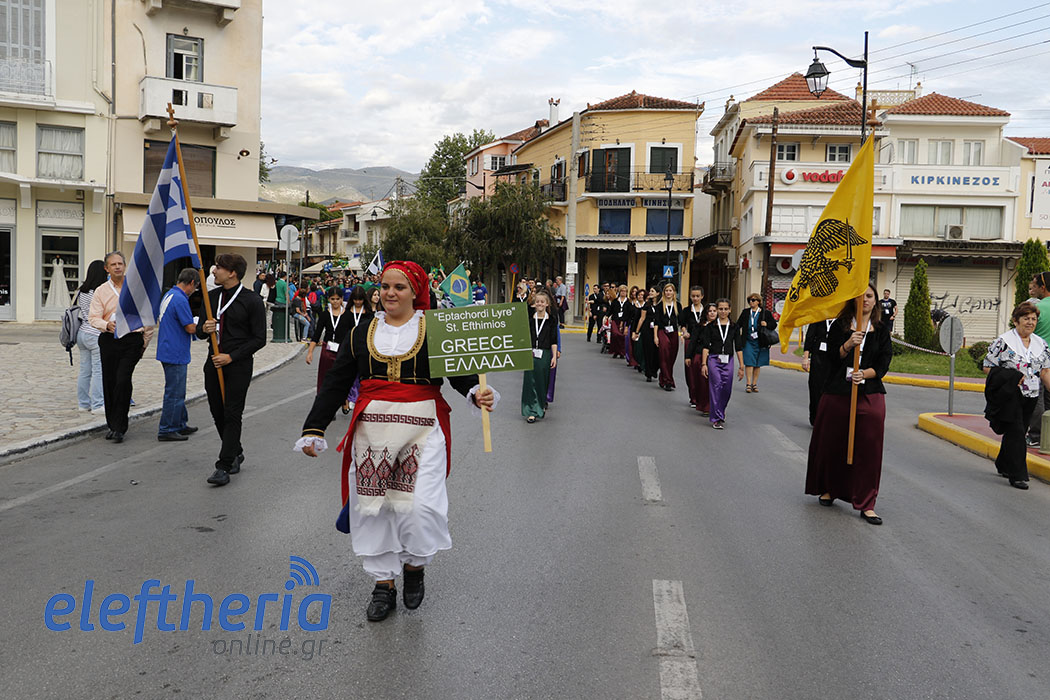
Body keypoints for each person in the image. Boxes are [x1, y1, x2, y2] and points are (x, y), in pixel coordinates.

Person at [295, 260, 497, 622]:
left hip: (424, 429)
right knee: (375, 508)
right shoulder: (361, 333)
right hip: (371, 433)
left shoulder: (435, 330)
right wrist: (314, 428)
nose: (389, 293)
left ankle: (415, 566)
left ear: (415, 292)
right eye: (385, 286)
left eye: (399, 287)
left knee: (420, 506)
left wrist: (477, 392)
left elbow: (461, 376)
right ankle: (383, 584)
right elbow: (336, 383)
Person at [805, 283, 891, 524]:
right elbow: (830, 357)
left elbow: (884, 363)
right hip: (838, 391)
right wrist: (847, 345)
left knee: (869, 448)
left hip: (869, 392)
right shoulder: (840, 326)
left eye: (870, 296)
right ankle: (829, 488)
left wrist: (864, 374)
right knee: (832, 443)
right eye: (860, 296)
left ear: (876, 301)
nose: (865, 300)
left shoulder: (881, 330)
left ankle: (867, 502)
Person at [196, 253, 266, 487]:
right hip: (213, 361)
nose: (214, 271)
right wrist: (204, 328)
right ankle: (235, 450)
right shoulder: (211, 298)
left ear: (232, 273)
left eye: (219, 267)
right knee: (217, 411)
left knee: (232, 412)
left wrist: (232, 357)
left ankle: (224, 465)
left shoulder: (252, 300)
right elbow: (199, 331)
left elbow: (259, 339)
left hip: (238, 364)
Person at [984, 301, 1050, 490]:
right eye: (1026, 318)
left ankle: (1003, 463)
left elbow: (1045, 372)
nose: (1030, 322)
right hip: (1009, 394)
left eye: (1033, 319)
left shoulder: (1041, 344)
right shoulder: (1003, 342)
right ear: (1016, 321)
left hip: (1032, 395)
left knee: (1019, 431)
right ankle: (1018, 474)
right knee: (1016, 431)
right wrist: (1011, 376)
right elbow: (987, 367)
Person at [89, 251, 153, 443]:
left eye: (120, 263)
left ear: (125, 266)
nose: (117, 267)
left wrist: (144, 343)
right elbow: (93, 318)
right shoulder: (101, 291)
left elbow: (148, 318)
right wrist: (106, 325)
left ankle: (120, 427)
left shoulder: (136, 289)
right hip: (110, 339)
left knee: (123, 379)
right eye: (113, 264)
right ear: (106, 268)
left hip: (132, 340)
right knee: (110, 381)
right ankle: (112, 424)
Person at [156, 268, 199, 442]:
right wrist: (203, 326)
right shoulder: (180, 299)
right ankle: (167, 428)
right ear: (191, 283)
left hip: (168, 347)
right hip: (175, 350)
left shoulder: (169, 294)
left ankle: (180, 422)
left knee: (177, 390)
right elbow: (189, 327)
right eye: (195, 287)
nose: (194, 291)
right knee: (175, 392)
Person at [700, 298, 744, 429]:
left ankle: (720, 411)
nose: (723, 311)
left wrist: (741, 366)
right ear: (717, 310)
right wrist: (704, 364)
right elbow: (705, 346)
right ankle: (716, 418)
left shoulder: (734, 327)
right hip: (714, 359)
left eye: (725, 309)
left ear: (730, 310)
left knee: (726, 388)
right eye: (720, 309)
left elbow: (739, 347)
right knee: (716, 385)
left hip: (728, 360)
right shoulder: (710, 327)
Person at [75, 260, 107, 414]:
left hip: (82, 332)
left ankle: (83, 404)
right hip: (95, 333)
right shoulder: (99, 292)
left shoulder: (82, 291)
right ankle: (98, 404)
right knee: (98, 371)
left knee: (84, 370)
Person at [522, 288, 558, 423]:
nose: (540, 304)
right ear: (534, 303)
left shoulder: (552, 320)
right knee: (529, 382)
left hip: (545, 354)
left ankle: (540, 406)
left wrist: (554, 357)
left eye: (542, 302)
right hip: (530, 353)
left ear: (547, 304)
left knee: (542, 382)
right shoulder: (530, 319)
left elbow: (554, 340)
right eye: (537, 302)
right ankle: (530, 410)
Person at [1026, 272, 1050, 447]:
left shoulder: (1037, 308)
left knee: (1037, 396)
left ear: (1043, 287)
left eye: (1035, 285)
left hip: (1038, 357)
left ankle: (1036, 435)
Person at [738, 293, 776, 393]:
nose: (751, 302)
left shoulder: (765, 313)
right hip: (748, 340)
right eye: (750, 300)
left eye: (753, 300)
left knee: (758, 363)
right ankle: (748, 384)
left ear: (758, 302)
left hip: (761, 341)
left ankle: (754, 384)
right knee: (749, 362)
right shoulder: (746, 312)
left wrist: (766, 324)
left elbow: (773, 325)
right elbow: (738, 324)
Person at [802, 319, 835, 426]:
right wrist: (806, 358)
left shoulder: (840, 321)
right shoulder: (818, 318)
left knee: (830, 389)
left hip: (833, 359)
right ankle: (815, 417)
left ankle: (827, 418)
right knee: (815, 387)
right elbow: (810, 338)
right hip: (818, 358)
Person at [685, 303, 716, 416]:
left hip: (715, 356)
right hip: (699, 356)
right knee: (702, 382)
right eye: (710, 311)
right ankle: (704, 405)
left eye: (714, 311)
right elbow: (693, 341)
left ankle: (713, 405)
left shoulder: (720, 326)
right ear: (705, 313)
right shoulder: (699, 326)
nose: (712, 313)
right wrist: (688, 356)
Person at [652, 282, 682, 391]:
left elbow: (681, 321)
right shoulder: (660, 305)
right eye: (666, 291)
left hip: (673, 332)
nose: (668, 293)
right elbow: (656, 322)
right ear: (664, 292)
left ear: (674, 292)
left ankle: (662, 378)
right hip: (662, 331)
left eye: (670, 291)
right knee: (664, 354)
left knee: (671, 357)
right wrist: (655, 336)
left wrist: (683, 333)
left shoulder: (678, 305)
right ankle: (668, 381)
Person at [679, 286, 705, 405]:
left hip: (703, 342)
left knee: (702, 368)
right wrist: (685, 332)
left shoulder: (706, 310)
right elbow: (682, 324)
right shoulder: (686, 310)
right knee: (690, 368)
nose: (695, 298)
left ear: (702, 296)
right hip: (690, 341)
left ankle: (702, 396)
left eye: (697, 296)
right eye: (693, 296)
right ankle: (693, 397)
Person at [607, 285, 630, 359]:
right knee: (615, 335)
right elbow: (611, 310)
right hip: (615, 320)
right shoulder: (615, 301)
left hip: (624, 321)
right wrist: (606, 316)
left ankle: (621, 352)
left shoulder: (629, 302)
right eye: (622, 291)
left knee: (622, 336)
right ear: (619, 292)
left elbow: (629, 313)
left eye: (625, 291)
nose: (623, 292)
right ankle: (615, 351)